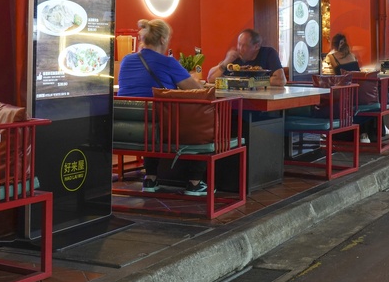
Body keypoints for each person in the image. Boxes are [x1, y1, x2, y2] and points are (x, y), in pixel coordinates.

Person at [117, 18, 207, 195]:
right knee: (199, 125)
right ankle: (194, 182)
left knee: (151, 118)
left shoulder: (126, 60)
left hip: (126, 129)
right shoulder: (168, 62)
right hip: (162, 130)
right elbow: (198, 91)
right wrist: (193, 80)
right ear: (163, 39)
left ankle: (150, 178)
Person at [207, 29, 286, 86]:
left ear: (256, 46)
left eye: (244, 46)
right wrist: (225, 62)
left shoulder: (268, 53)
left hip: (262, 100)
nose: (240, 49)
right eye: (239, 44)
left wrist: (250, 83)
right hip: (235, 99)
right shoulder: (234, 57)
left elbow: (280, 80)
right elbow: (210, 79)